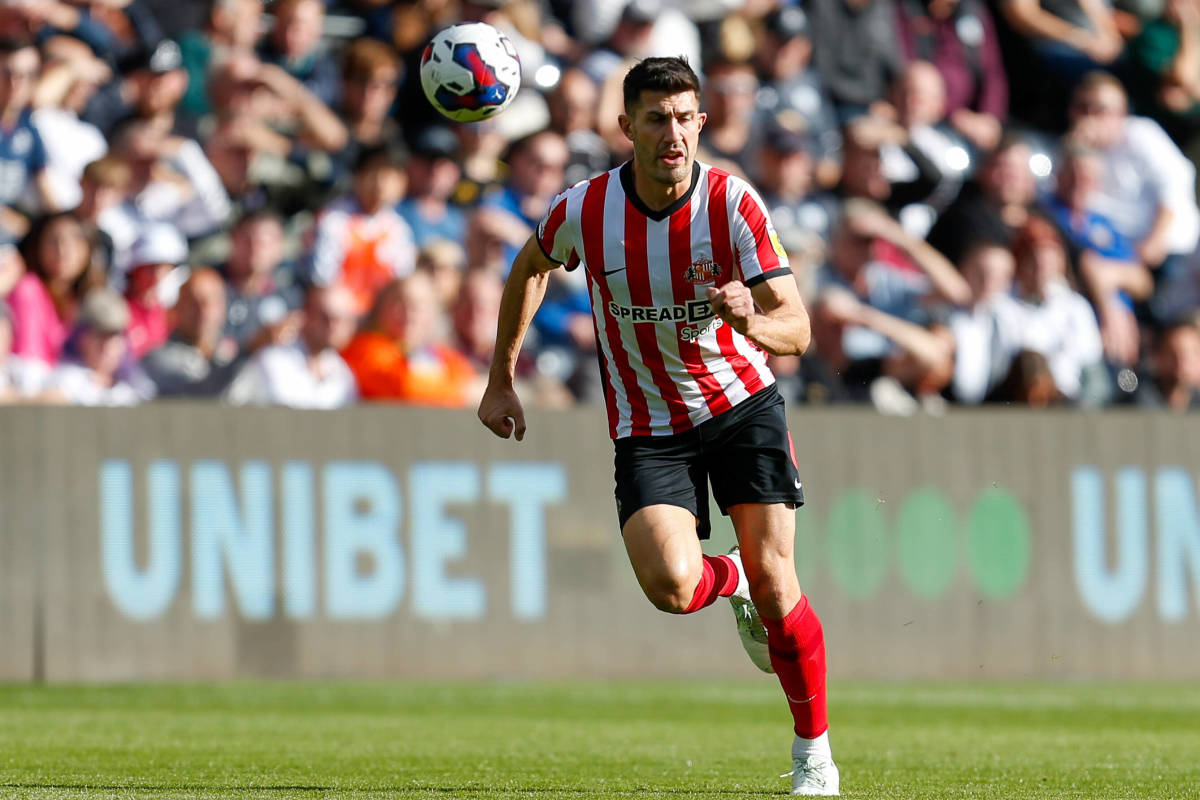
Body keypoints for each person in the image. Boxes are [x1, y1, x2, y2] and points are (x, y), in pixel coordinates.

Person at [478, 57, 839, 796]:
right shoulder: (587, 208)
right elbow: (530, 268)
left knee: (781, 587)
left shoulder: (732, 205)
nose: (671, 134)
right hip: (649, 425)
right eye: (654, 119)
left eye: (683, 118)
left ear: (700, 122)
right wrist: (501, 379)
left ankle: (814, 756)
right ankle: (725, 577)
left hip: (741, 406)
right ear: (626, 128)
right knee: (673, 586)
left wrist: (754, 322)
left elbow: (797, 329)